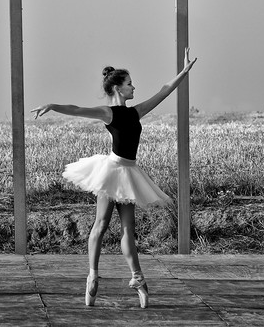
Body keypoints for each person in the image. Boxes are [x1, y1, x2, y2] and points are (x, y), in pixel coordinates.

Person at [31, 48, 197, 308]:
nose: (134, 87)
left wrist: (184, 72)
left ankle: (138, 278)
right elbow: (77, 109)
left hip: (130, 174)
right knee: (101, 224)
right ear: (119, 88)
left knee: (128, 230)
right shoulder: (109, 113)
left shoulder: (136, 112)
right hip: (112, 172)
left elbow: (164, 90)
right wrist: (52, 105)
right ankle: (93, 275)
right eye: (130, 84)